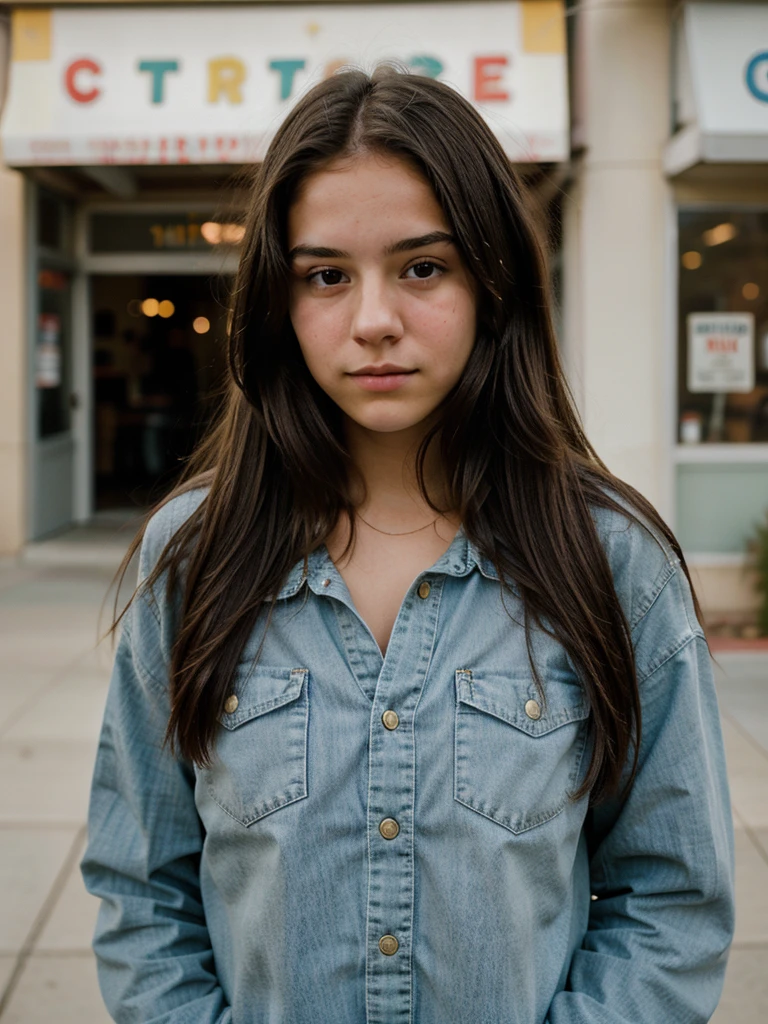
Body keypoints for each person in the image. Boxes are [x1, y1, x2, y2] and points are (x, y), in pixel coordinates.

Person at [81, 67, 734, 1024]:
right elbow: (144, 894)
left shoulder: (611, 560)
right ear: (277, 299)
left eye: (422, 267)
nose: (373, 320)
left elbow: (671, 901)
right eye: (326, 276)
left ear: (492, 284)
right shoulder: (192, 556)